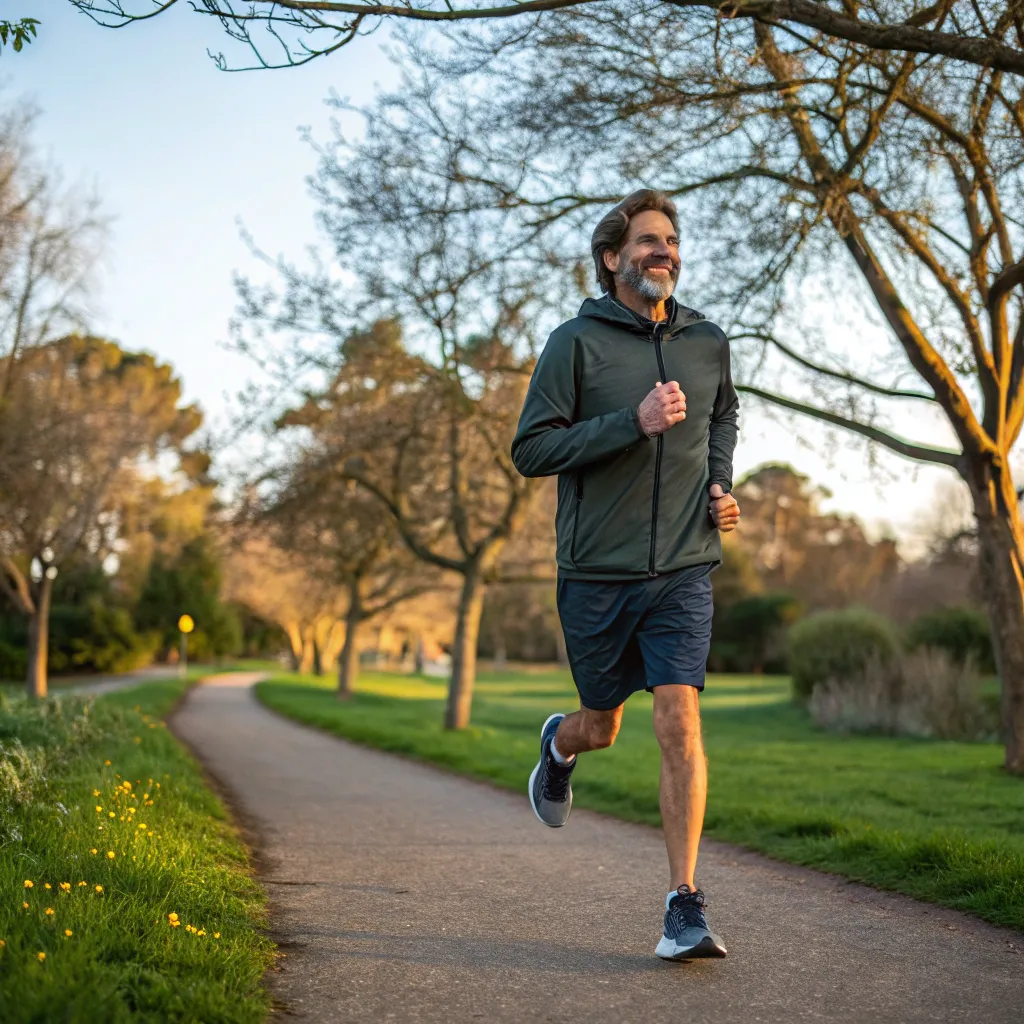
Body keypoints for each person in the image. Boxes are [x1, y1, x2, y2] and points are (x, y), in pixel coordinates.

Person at [511, 189, 741, 961]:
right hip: (597, 573)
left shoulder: (707, 341)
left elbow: (720, 416)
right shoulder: (574, 343)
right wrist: (630, 424)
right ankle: (561, 743)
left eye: (671, 240)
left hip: (683, 567)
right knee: (602, 726)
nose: (663, 251)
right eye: (647, 240)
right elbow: (532, 449)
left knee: (680, 720)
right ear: (613, 257)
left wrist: (718, 483)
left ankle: (684, 905)